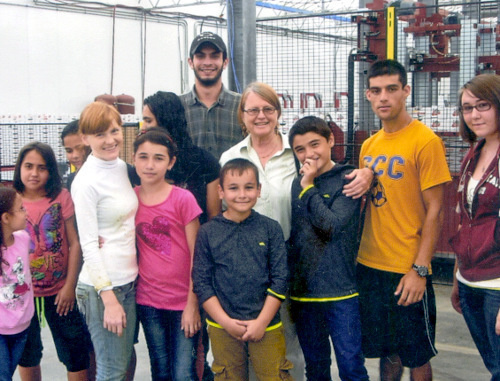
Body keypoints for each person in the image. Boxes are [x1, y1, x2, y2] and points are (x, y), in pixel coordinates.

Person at [355, 59, 451, 381]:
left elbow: (436, 210)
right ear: (368, 95)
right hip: (370, 266)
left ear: (406, 91)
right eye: (377, 91)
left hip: (407, 268)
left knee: (417, 356)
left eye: (392, 89)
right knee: (388, 351)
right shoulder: (369, 146)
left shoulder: (425, 141)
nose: (384, 97)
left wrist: (420, 270)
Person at [219, 81, 304, 379]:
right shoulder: (230, 158)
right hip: (243, 267)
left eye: (268, 109)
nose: (260, 116)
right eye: (252, 109)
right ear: (242, 115)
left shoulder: (297, 157)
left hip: (289, 263)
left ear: (279, 113)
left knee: (287, 345)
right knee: (247, 347)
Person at [192, 158, 292, 380]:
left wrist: (262, 323)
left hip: (266, 324)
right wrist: (226, 322)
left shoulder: (270, 228)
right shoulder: (208, 232)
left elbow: (280, 278)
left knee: (274, 375)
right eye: (233, 188)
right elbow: (201, 282)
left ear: (258, 190)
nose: (242, 194)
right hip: (222, 325)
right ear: (220, 191)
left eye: (249, 187)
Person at [287, 116, 369, 381]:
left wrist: (309, 187)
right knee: (316, 367)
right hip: (304, 294)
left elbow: (330, 227)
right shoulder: (296, 183)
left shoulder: (349, 179)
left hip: (340, 292)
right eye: (300, 149)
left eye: (315, 145)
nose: (309, 154)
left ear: (331, 141)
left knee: (351, 366)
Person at [71, 102, 138, 381]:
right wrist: (108, 298)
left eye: (113, 130)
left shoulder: (122, 167)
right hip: (104, 291)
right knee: (111, 371)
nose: (110, 140)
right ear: (85, 139)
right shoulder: (85, 181)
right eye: (100, 134)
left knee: (121, 366)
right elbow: (88, 245)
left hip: (129, 282)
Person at [13, 142, 90, 381]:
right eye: (28, 166)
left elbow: (74, 243)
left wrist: (69, 286)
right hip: (23, 296)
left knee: (75, 350)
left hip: (60, 294)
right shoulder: (11, 200)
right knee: (27, 353)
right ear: (19, 168)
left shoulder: (61, 197)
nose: (34, 173)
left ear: (51, 172)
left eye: (42, 167)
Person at [133, 127, 202, 380]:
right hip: (149, 302)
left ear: (171, 162)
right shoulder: (130, 200)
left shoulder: (183, 199)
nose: (150, 165)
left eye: (158, 158)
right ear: (134, 159)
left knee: (183, 373)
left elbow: (198, 255)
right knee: (160, 371)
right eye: (143, 156)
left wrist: (192, 304)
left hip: (184, 301)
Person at [449, 73, 500, 380]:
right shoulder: (474, 153)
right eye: (468, 108)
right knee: (493, 367)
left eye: (483, 105)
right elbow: (465, 221)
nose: (474, 115)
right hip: (470, 281)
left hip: (497, 285)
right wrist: (457, 276)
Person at [142, 91, 221, 224]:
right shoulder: (143, 164)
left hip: (196, 241)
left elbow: (213, 217)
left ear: (165, 121)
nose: (143, 127)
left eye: (148, 121)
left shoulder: (206, 163)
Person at [179, 31, 243, 159]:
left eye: (214, 56)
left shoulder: (242, 105)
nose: (207, 62)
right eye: (200, 56)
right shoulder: (177, 106)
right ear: (190, 62)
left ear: (225, 62)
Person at [0, 187, 34, 381]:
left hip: (22, 326)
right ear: (6, 217)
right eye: (21, 209)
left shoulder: (23, 238)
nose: (26, 212)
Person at [61, 120, 90, 191]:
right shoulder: (72, 179)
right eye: (69, 151)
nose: (75, 156)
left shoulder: (111, 173)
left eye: (80, 148)